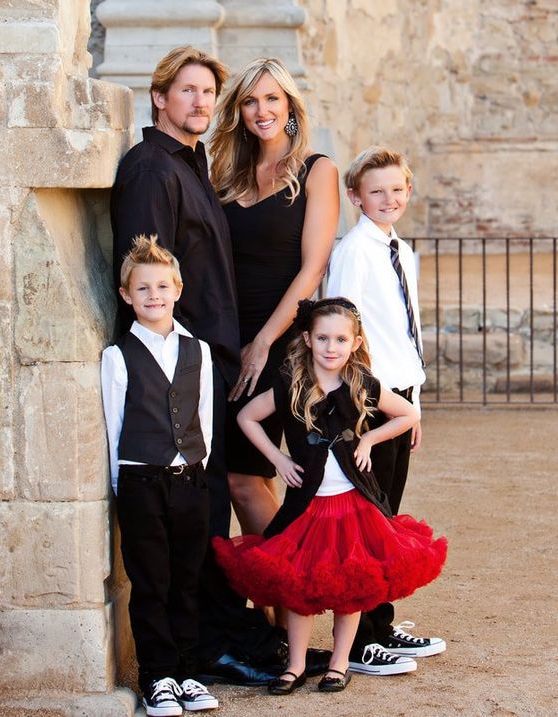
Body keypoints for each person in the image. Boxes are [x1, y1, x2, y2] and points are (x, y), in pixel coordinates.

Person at [109, 46, 287, 686]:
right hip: (182, 371)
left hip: (212, 362)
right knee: (200, 512)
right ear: (159, 98)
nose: (200, 102)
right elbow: (142, 274)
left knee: (209, 507)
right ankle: (212, 645)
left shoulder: (192, 164)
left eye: (209, 93)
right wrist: (174, 372)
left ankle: (223, 631)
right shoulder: (151, 170)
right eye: (186, 91)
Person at [212, 298, 447, 695]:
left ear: (355, 343)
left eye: (340, 339)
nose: (331, 347)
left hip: (354, 506)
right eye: (322, 338)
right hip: (308, 508)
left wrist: (370, 438)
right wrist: (277, 458)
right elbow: (246, 417)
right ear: (307, 339)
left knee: (351, 586)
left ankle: (339, 664)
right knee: (301, 588)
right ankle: (296, 665)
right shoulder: (290, 385)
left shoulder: (363, 384)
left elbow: (408, 414)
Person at [326, 147, 447, 674]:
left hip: (400, 398)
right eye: (376, 191)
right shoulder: (354, 251)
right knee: (368, 522)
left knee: (386, 519)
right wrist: (363, 408)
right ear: (355, 196)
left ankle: (379, 622)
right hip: (369, 403)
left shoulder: (402, 250)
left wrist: (414, 405)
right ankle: (357, 644)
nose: (389, 199)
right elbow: (340, 329)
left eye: (397, 189)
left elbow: (404, 331)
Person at [209, 57, 339, 540]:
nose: (260, 110)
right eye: (249, 101)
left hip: (279, 338)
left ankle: (289, 595)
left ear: (288, 106)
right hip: (225, 335)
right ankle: (272, 608)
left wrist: (264, 341)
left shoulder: (316, 170)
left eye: (271, 99)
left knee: (243, 476)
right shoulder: (228, 173)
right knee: (244, 474)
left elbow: (314, 268)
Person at [101, 235, 219, 716]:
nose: (154, 295)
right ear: (127, 295)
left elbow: (204, 417)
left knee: (186, 580)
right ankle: (158, 677)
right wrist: (123, 484)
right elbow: (114, 428)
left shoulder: (199, 350)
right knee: (151, 583)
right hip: (141, 483)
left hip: (189, 480)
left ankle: (188, 672)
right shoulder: (118, 356)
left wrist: (197, 464)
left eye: (163, 286)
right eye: (143, 288)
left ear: (178, 288)